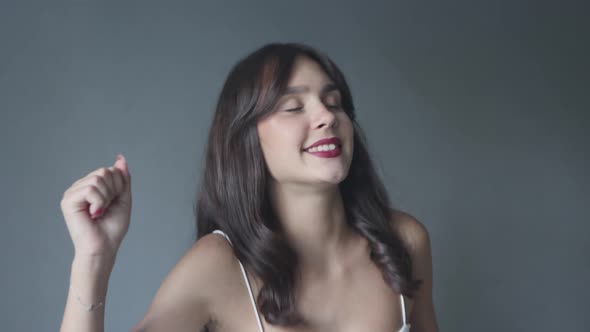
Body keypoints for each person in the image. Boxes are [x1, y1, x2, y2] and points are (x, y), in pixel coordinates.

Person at [59, 42, 439, 332]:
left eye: (334, 102)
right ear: (246, 138)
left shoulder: (403, 241)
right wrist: (94, 259)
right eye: (293, 107)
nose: (326, 116)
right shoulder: (219, 265)